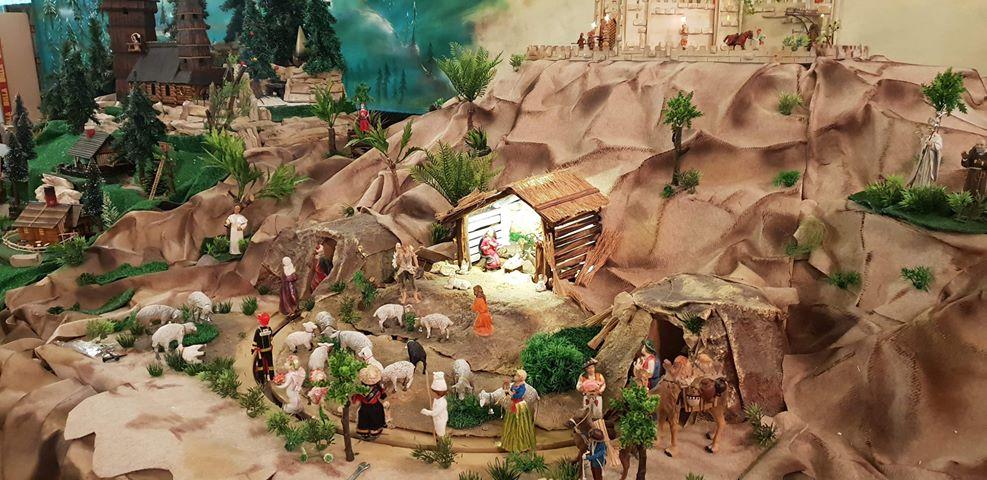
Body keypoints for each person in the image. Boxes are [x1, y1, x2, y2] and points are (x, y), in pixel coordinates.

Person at [500, 369, 536, 452]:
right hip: (513, 405)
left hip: (519, 406)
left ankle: (521, 444)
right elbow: (510, 392)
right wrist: (507, 392)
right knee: (511, 423)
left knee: (520, 423)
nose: (514, 376)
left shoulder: (522, 386)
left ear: (521, 378)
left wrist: (511, 395)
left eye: (516, 375)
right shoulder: (514, 385)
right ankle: (510, 444)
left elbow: (518, 395)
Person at [352, 366, 388, 439]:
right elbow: (383, 396)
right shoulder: (378, 388)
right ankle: (374, 432)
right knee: (376, 419)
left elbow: (355, 400)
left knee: (364, 420)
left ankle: (364, 433)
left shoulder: (360, 390)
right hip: (376, 407)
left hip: (364, 408)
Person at [420, 372, 450, 441]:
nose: (431, 394)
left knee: (440, 433)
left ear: (438, 393)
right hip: (437, 419)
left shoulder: (442, 402)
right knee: (437, 431)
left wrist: (426, 412)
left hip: (440, 420)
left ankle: (443, 443)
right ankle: (439, 441)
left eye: (433, 393)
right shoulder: (436, 399)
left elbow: (435, 413)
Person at [252, 312, 274, 383]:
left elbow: (255, 341)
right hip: (269, 350)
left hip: (261, 351)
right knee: (270, 364)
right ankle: (272, 377)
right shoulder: (269, 329)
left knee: (260, 365)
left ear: (260, 321)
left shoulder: (258, 331)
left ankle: (261, 379)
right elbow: (271, 338)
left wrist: (253, 349)